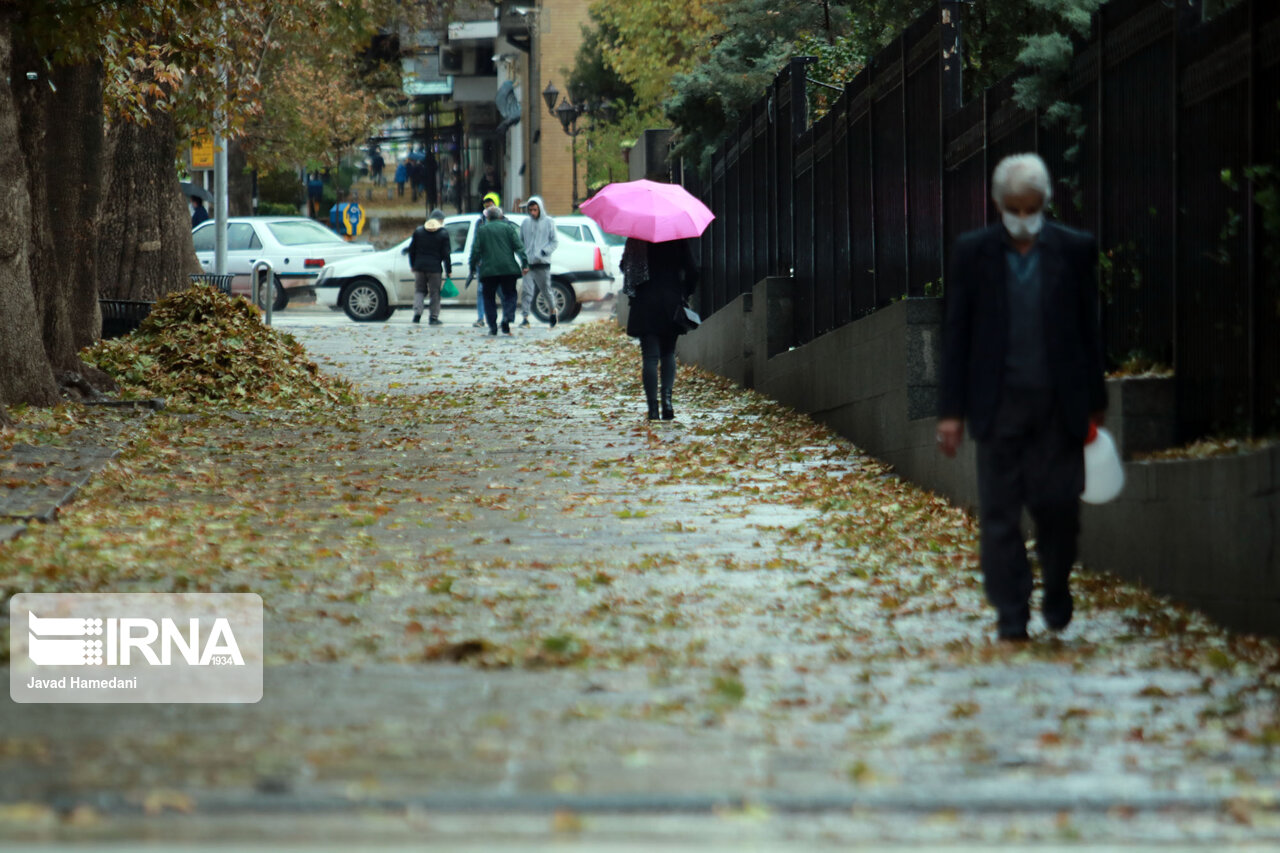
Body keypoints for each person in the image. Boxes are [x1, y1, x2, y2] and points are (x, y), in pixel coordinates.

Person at [937, 152, 1107, 642]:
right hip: (998, 405)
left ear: (1045, 203)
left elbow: (1088, 330)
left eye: (1031, 207)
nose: (1022, 217)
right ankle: (1011, 612)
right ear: (997, 204)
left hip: (1060, 406)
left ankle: (1056, 585)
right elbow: (957, 334)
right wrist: (950, 411)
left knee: (1058, 508)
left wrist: (1095, 401)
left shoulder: (1075, 250)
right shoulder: (974, 253)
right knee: (999, 515)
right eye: (1014, 207)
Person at [622, 236, 699, 420]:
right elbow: (693, 271)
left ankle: (653, 409)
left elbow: (625, 267)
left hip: (644, 302)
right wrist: (685, 292)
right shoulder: (676, 237)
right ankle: (667, 403)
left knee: (649, 357)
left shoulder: (636, 237)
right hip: (670, 302)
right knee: (668, 353)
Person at [469, 206, 528, 337]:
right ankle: (507, 317)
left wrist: (472, 266)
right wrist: (524, 263)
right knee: (510, 294)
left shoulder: (482, 230)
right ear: (501, 216)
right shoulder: (508, 228)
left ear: (488, 217)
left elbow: (475, 250)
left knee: (488, 297)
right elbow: (519, 247)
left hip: (488, 270)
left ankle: (493, 326)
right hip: (508, 269)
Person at [408, 208, 453, 325]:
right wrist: (449, 270)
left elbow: (411, 250)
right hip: (435, 269)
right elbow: (446, 254)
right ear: (439, 220)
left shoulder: (419, 231)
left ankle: (417, 315)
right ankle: (433, 317)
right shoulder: (443, 233)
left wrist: (413, 265)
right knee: (435, 293)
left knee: (419, 291)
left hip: (419, 268)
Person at [519, 196, 558, 327]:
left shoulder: (548, 222)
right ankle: (525, 317)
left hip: (542, 262)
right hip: (529, 262)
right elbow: (521, 241)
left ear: (540, 209)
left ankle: (552, 311)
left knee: (546, 289)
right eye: (530, 210)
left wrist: (544, 252)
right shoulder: (525, 223)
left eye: (535, 210)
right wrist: (523, 258)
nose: (532, 213)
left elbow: (554, 241)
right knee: (527, 290)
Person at [467, 192, 502, 327]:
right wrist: (474, 261)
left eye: (490, 205)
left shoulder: (503, 221)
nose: (487, 208)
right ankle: (481, 318)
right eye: (486, 205)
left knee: (500, 290)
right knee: (482, 290)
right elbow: (476, 243)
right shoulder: (480, 222)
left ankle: (504, 318)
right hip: (483, 262)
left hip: (497, 262)